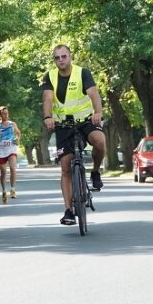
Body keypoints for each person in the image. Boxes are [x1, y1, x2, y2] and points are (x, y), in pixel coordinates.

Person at [41, 44, 106, 226]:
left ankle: (95, 172)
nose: (61, 60)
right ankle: (68, 210)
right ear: (54, 60)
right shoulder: (50, 76)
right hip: (63, 124)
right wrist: (48, 117)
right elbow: (47, 98)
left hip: (86, 120)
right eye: (57, 58)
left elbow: (94, 94)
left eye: (64, 56)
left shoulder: (82, 72)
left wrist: (97, 112)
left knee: (100, 141)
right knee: (65, 166)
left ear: (71, 57)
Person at [0, 106, 21, 204]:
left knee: (12, 168)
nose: (6, 115)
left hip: (11, 149)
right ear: (0, 115)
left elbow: (18, 133)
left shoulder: (12, 124)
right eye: (4, 113)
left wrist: (17, 139)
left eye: (7, 113)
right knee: (3, 172)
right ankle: (3, 191)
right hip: (1, 151)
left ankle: (13, 190)